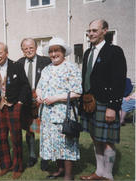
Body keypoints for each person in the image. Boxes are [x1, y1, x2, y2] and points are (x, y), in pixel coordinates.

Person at [80, 19, 127, 181]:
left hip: (105, 104)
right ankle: (99, 172)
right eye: (89, 31)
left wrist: (112, 107)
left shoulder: (114, 51)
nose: (91, 34)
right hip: (89, 103)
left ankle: (108, 175)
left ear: (105, 31)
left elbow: (118, 80)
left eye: (94, 30)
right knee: (95, 138)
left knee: (107, 141)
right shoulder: (87, 53)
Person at [36, 37, 82, 180]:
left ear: (63, 52)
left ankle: (68, 175)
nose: (54, 54)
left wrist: (55, 98)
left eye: (57, 51)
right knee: (53, 143)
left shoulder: (72, 68)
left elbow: (77, 92)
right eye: (51, 51)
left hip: (64, 114)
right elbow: (39, 87)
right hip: (48, 114)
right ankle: (60, 169)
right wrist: (39, 96)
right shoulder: (46, 69)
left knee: (66, 144)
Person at [0, 42, 32, 180]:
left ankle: (18, 167)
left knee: (16, 138)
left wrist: (19, 103)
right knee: (0, 138)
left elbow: (25, 86)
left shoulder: (16, 66)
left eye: (0, 53)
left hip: (13, 107)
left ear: (6, 53)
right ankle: (5, 165)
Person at [17, 38, 51, 169]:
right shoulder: (18, 63)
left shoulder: (46, 61)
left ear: (36, 48)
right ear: (22, 50)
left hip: (42, 98)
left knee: (45, 129)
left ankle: (45, 157)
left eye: (31, 47)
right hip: (25, 99)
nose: (28, 50)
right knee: (29, 129)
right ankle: (32, 155)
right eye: (25, 48)